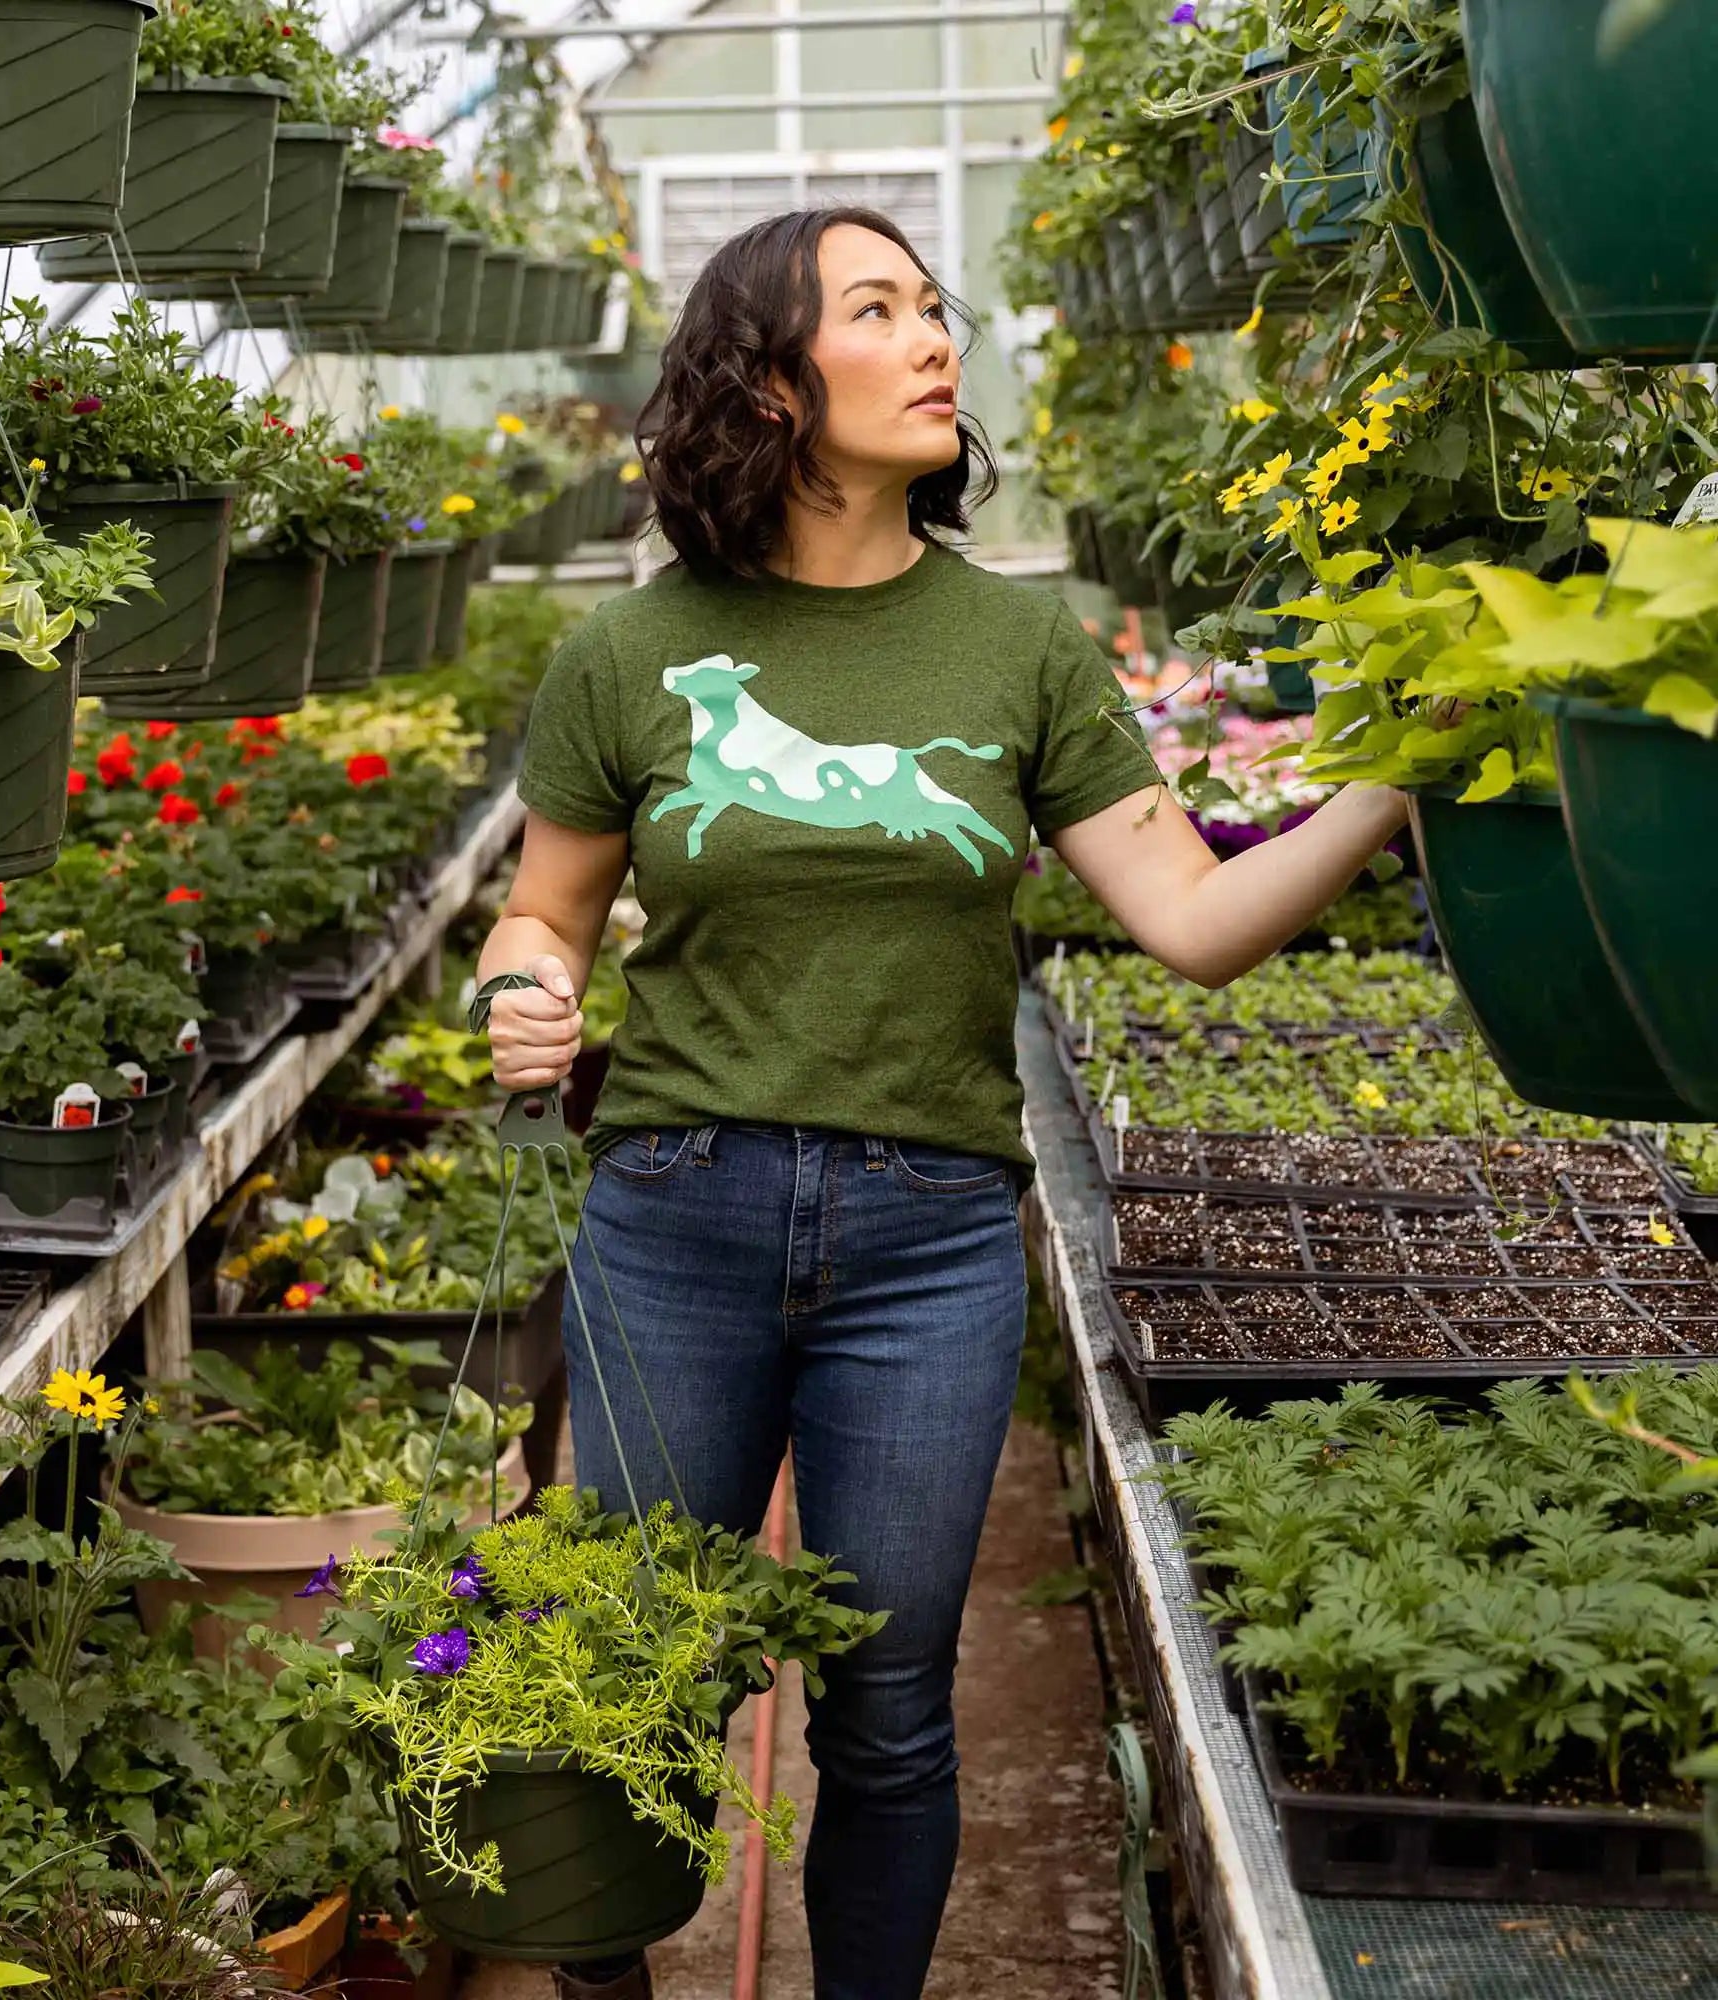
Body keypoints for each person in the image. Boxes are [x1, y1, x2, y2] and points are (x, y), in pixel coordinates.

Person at [469, 207, 1407, 2000]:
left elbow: (1192, 922)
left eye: (934, 310)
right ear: (766, 379)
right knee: (640, 1669)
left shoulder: (1015, 646)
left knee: (890, 1698)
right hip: (673, 1211)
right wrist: (527, 996)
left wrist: (1380, 794)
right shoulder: (633, 653)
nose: (933, 343)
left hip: (932, 1239)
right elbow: (546, 912)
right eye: (878, 310)